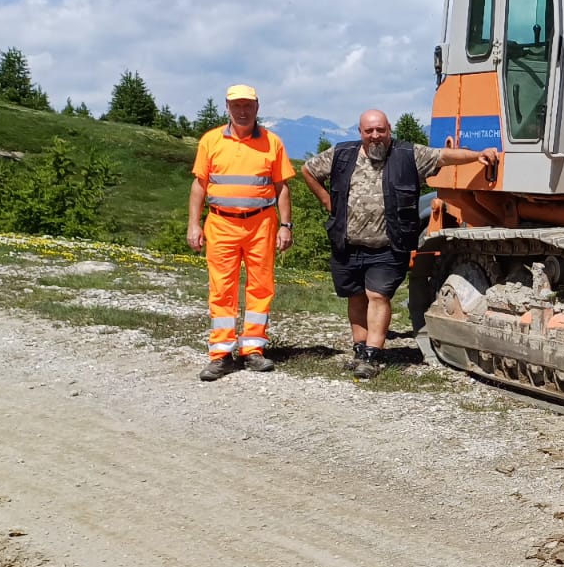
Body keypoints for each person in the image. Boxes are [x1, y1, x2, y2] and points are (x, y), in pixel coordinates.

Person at [302, 109, 499, 379]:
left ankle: (373, 354)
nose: (375, 136)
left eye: (380, 130)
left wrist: (476, 155)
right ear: (360, 132)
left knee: (378, 296)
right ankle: (359, 350)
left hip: (389, 244)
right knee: (356, 297)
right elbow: (308, 170)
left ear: (389, 130)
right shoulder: (341, 154)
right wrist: (327, 201)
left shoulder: (407, 154)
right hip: (347, 243)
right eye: (369, 131)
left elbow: (443, 155)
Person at [187, 84, 295, 380]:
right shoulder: (210, 141)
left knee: (261, 286)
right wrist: (194, 224)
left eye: (248, 105)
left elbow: (281, 187)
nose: (243, 110)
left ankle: (253, 350)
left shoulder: (272, 142)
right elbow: (199, 185)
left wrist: (286, 225)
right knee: (221, 288)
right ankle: (221, 353)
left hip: (261, 223)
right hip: (221, 223)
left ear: (257, 107)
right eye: (237, 105)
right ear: (228, 107)